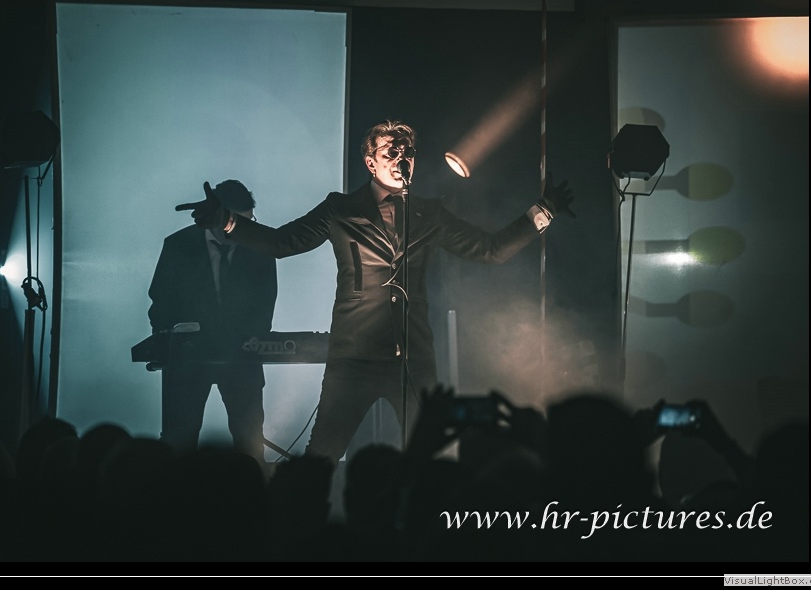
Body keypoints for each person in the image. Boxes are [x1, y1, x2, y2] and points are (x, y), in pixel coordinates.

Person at [175, 121, 574, 466]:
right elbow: (282, 242)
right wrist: (227, 221)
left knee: (433, 457)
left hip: (413, 357)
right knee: (322, 457)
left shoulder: (430, 214)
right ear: (371, 163)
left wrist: (543, 211)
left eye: (408, 153)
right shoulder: (341, 209)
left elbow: (490, 250)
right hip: (354, 357)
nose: (402, 159)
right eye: (391, 152)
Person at [149, 179, 278, 471]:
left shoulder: (260, 247)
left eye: (248, 223)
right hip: (187, 360)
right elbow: (160, 301)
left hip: (241, 359)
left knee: (249, 443)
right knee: (179, 442)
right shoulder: (178, 245)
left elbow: (264, 305)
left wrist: (252, 338)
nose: (242, 231)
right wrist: (172, 338)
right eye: (236, 222)